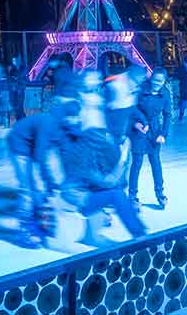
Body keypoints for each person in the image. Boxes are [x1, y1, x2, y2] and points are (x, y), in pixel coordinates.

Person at [59, 71, 146, 244]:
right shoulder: (77, 148)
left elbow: (116, 114)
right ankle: (140, 235)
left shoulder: (98, 102)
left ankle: (105, 215)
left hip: (90, 167)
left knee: (113, 183)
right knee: (115, 193)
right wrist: (122, 157)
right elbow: (107, 181)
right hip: (76, 197)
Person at [6, 107, 58, 248]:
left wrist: (51, 184)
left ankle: (39, 222)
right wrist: (50, 183)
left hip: (31, 143)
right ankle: (24, 230)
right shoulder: (49, 124)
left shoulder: (63, 128)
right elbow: (40, 157)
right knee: (27, 189)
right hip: (18, 144)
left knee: (37, 189)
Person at [129, 68, 171, 209]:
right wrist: (139, 122)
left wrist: (163, 134)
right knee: (137, 163)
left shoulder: (165, 93)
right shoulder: (141, 89)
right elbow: (132, 107)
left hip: (154, 130)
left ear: (165, 81)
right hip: (139, 128)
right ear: (151, 78)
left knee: (155, 162)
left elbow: (168, 115)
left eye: (160, 81)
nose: (156, 83)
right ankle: (132, 197)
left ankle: (160, 194)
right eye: (154, 80)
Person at [7, 55, 27, 122]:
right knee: (15, 107)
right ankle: (21, 120)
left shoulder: (23, 68)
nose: (13, 62)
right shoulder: (12, 69)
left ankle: (22, 121)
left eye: (15, 60)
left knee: (20, 106)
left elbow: (20, 76)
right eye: (12, 61)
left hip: (20, 90)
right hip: (13, 90)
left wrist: (15, 77)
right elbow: (10, 78)